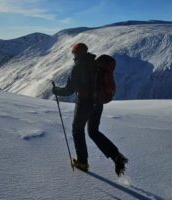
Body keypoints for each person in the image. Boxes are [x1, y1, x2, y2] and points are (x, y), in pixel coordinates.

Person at [52, 43, 128, 176]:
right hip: (98, 104)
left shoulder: (77, 67)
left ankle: (82, 162)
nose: (73, 55)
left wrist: (55, 90)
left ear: (76, 53)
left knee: (77, 129)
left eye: (73, 53)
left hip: (84, 104)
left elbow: (69, 90)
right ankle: (116, 156)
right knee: (93, 132)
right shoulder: (96, 64)